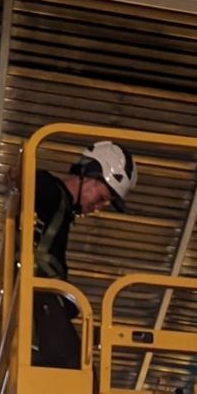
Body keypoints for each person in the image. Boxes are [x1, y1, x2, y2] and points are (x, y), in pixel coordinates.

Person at [28, 138, 136, 367]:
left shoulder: (61, 211)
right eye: (100, 199)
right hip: (39, 303)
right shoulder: (51, 192)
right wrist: (18, 179)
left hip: (41, 305)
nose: (97, 208)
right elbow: (31, 184)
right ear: (88, 174)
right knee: (76, 373)